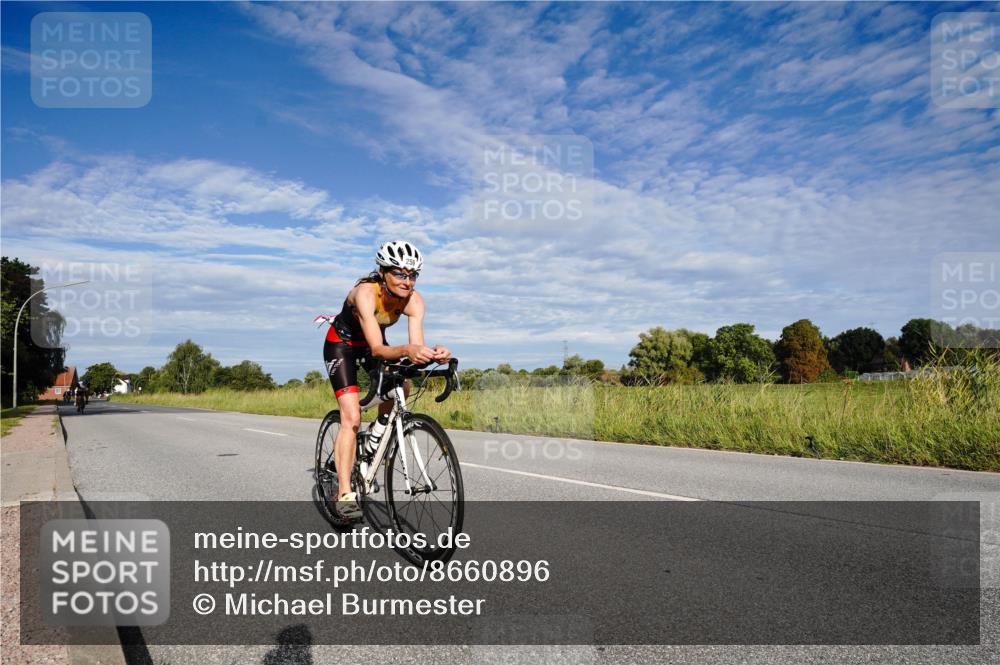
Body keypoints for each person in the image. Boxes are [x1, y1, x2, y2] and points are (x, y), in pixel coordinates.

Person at [322, 240, 450, 520]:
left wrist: (434, 355)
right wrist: (407, 350)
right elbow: (380, 350)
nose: (408, 281)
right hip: (342, 345)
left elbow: (414, 350)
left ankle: (375, 437)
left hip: (372, 343)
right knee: (352, 418)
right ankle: (345, 492)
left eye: (413, 275)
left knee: (403, 383)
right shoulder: (366, 293)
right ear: (383, 272)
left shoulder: (414, 300)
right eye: (400, 274)